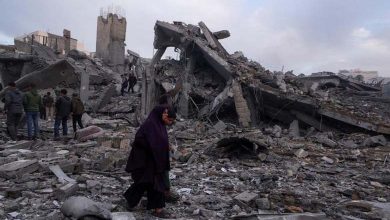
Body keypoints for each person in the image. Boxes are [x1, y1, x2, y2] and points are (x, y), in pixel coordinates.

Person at [124, 105, 176, 218]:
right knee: (145, 182)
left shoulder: (160, 125)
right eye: (168, 118)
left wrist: (166, 146)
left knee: (154, 183)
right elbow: (139, 140)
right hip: (147, 161)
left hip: (156, 161)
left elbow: (161, 140)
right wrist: (153, 147)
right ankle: (131, 202)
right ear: (161, 114)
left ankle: (157, 209)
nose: (169, 122)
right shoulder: (150, 124)